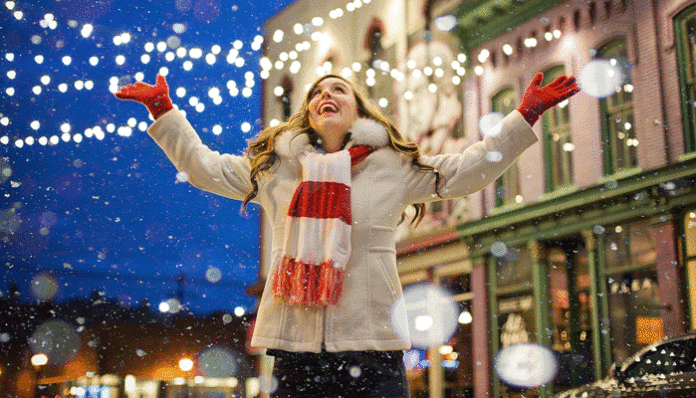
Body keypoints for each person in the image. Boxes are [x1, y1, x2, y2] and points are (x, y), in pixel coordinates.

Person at [115, 71, 579, 397]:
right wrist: (163, 109)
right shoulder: (276, 169)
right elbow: (204, 168)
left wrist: (524, 117)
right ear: (309, 114)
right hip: (297, 351)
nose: (325, 94)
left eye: (338, 89)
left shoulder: (393, 167)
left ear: (358, 111)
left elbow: (464, 171)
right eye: (317, 92)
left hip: (373, 345)